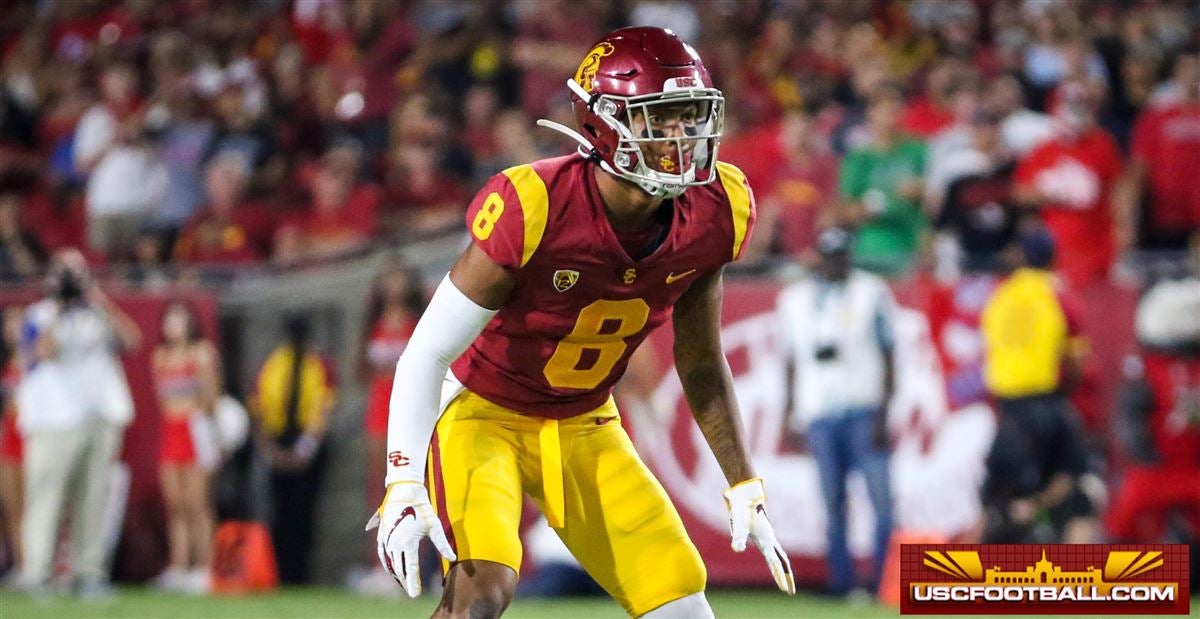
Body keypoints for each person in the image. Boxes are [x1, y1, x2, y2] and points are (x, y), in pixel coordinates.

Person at [368, 27, 794, 619]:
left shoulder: (716, 210)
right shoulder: (535, 204)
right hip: (482, 416)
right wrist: (403, 482)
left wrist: (743, 482)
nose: (682, 136)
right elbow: (425, 354)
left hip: (586, 422)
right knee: (480, 599)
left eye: (690, 116)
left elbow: (699, 359)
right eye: (661, 119)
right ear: (605, 124)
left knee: (682, 604)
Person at [776, 227, 896, 596]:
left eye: (842, 255)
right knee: (832, 502)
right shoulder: (794, 299)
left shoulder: (872, 292)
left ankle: (883, 581)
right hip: (819, 411)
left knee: (881, 500)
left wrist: (883, 412)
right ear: (819, 258)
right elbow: (791, 360)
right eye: (830, 256)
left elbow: (890, 354)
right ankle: (841, 582)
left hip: (863, 406)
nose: (837, 262)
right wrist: (789, 412)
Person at [17, 249, 141, 597]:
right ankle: (37, 573)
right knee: (46, 497)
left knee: (94, 498)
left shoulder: (98, 313)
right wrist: (59, 305)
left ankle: (90, 573)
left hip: (100, 414)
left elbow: (132, 340)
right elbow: (40, 352)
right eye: (65, 272)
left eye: (78, 272)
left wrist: (97, 300)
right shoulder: (38, 315)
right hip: (53, 419)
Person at [980, 228, 1097, 544]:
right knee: (1076, 493)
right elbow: (1074, 359)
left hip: (1007, 406)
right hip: (1047, 401)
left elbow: (991, 348)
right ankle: (1077, 581)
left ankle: (969, 581)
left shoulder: (1000, 294)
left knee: (998, 497)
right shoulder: (1057, 292)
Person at [250, 313, 337, 585]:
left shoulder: (318, 364)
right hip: (279, 439)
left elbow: (324, 408)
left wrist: (306, 448)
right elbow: (259, 408)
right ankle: (281, 573)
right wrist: (270, 449)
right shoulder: (275, 364)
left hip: (307, 443)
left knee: (305, 513)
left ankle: (302, 574)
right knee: (280, 511)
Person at [355, 260, 424, 594]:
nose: (393, 288)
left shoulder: (418, 323)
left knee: (411, 488)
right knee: (377, 489)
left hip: (408, 410)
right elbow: (361, 371)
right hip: (378, 409)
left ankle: (413, 567)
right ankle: (380, 567)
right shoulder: (374, 325)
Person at [152, 302, 220, 594]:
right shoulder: (160, 357)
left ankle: (204, 567)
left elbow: (211, 398)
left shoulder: (202, 353)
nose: (173, 324)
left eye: (179, 318)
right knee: (176, 504)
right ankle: (179, 565)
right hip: (171, 430)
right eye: (169, 319)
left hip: (195, 429)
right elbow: (160, 399)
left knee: (197, 503)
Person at [839, 84, 929, 277]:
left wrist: (921, 190)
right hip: (870, 250)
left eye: (896, 111)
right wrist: (868, 208)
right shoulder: (860, 158)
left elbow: (932, 199)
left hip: (908, 248)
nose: (892, 118)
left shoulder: (917, 150)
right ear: (872, 114)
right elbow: (845, 210)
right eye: (886, 112)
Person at [0, 307, 24, 580]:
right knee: (12, 507)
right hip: (8, 437)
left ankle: (37, 564)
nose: (12, 329)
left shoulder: (36, 360)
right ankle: (19, 564)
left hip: (30, 436)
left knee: (31, 506)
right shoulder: (4, 363)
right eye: (8, 324)